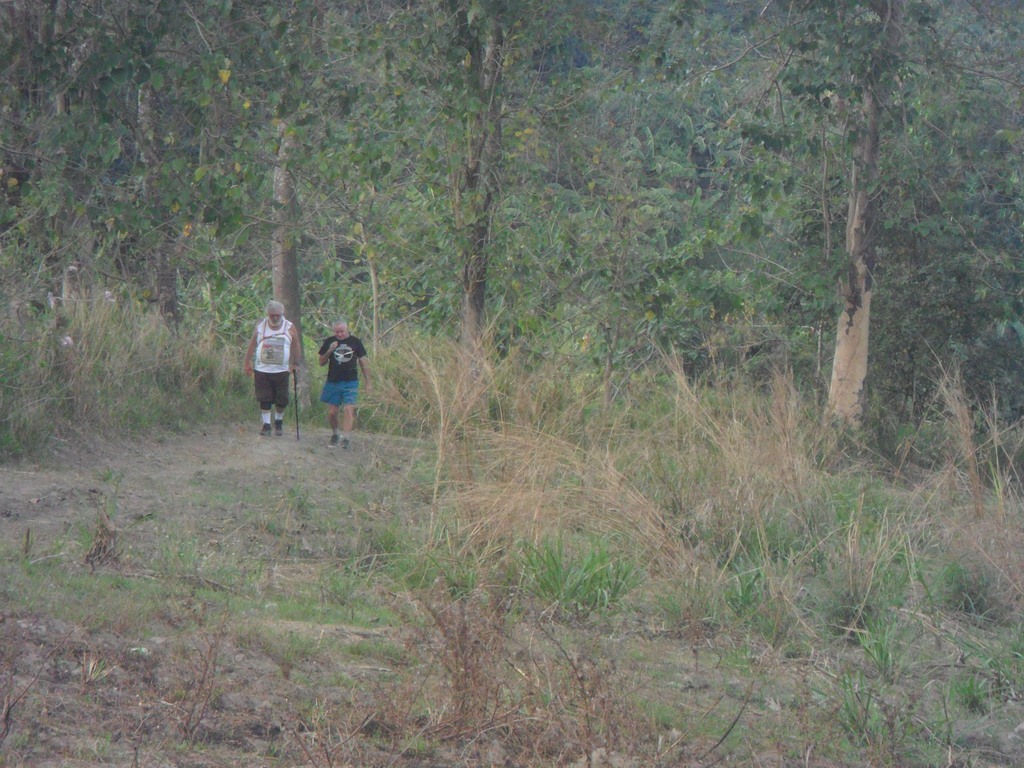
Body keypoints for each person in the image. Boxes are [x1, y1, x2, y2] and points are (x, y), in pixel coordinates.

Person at [243, 300, 301, 436]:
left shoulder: (289, 327)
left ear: (282, 314)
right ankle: (266, 425)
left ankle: (278, 421)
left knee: (282, 400)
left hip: (282, 370)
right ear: (268, 314)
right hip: (262, 369)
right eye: (272, 315)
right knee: (264, 398)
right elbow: (252, 345)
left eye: (277, 315)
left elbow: (296, 345)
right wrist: (246, 363)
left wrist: (295, 363)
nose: (275, 317)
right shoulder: (261, 326)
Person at [318, 319, 370, 448]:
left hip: (351, 381)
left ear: (347, 330)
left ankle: (346, 438)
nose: (339, 334)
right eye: (337, 332)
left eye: (342, 331)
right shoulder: (330, 341)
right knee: (332, 412)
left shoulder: (355, 342)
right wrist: (329, 350)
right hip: (333, 381)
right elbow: (321, 362)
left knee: (348, 409)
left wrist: (368, 382)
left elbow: (363, 362)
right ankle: (335, 433)